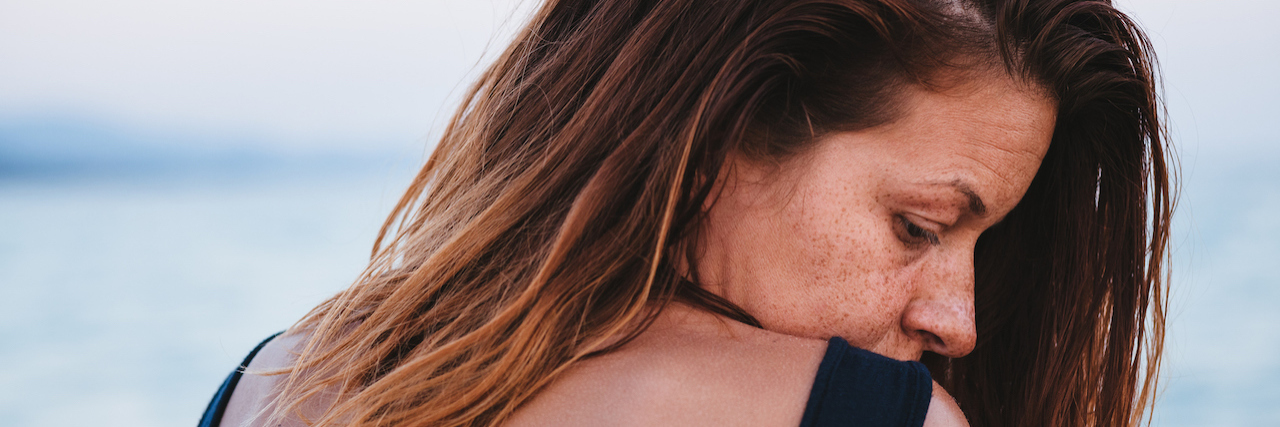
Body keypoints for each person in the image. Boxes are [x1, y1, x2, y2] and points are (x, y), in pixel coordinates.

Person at [199, 0, 1173, 426]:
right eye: (916, 227)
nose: (954, 317)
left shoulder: (272, 376)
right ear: (713, 143)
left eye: (979, 245)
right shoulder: (872, 417)